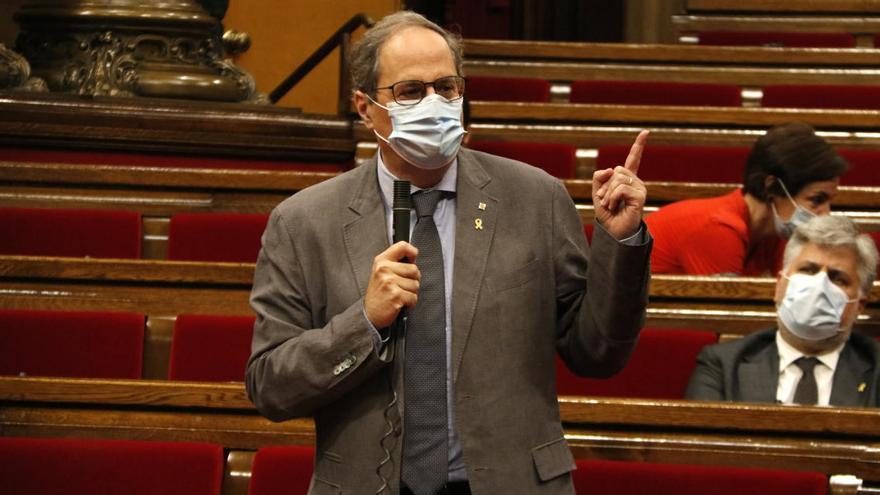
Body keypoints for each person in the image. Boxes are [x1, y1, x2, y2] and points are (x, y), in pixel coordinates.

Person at [245, 11, 652, 495]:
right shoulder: (304, 222)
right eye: (411, 92)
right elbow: (271, 386)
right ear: (364, 106)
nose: (434, 103)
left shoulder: (534, 197)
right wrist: (366, 323)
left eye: (447, 87)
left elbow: (597, 353)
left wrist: (619, 241)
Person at [685, 215, 880, 407]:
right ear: (779, 286)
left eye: (837, 278)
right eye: (808, 270)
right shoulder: (723, 364)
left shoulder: (876, 367)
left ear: (859, 306)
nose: (819, 286)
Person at [645, 122, 849, 275]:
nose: (826, 213)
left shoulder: (775, 233)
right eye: (816, 200)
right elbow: (726, 317)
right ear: (772, 186)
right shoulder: (718, 228)